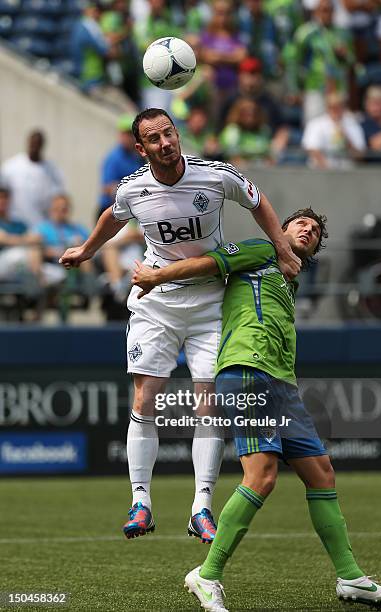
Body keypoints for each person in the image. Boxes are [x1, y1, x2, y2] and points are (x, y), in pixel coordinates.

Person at [131, 207, 381, 611]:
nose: (308, 230)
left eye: (316, 230)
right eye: (300, 223)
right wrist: (157, 275)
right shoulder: (260, 249)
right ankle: (207, 575)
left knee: (322, 472)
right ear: (282, 228)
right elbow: (210, 263)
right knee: (262, 476)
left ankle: (350, 578)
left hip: (282, 384)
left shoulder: (292, 278)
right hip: (247, 371)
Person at [59, 107, 301, 544]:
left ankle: (201, 507)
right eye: (155, 139)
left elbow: (257, 200)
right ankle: (141, 501)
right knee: (146, 395)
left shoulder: (215, 175)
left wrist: (282, 249)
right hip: (157, 302)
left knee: (208, 401)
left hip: (210, 299)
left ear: (177, 133)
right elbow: (114, 216)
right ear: (141, 148)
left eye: (169, 133)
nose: (166, 143)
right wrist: (88, 250)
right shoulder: (134, 187)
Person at [0, 130, 65, 228]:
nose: (35, 147)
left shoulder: (52, 170)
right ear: (28, 142)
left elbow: (58, 198)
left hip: (42, 225)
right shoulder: (11, 166)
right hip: (16, 225)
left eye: (38, 144)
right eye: (33, 143)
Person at [302, 91, 366, 169]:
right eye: (332, 107)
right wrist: (329, 171)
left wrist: (346, 139)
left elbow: (360, 156)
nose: (335, 110)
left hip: (347, 173)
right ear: (327, 107)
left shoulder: (353, 124)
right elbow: (313, 150)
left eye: (339, 106)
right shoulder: (315, 124)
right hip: (320, 173)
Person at [98, 115, 143, 217]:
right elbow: (107, 188)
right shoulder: (114, 158)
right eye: (126, 134)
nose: (130, 138)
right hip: (111, 211)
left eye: (132, 134)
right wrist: (133, 191)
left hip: (131, 210)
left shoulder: (139, 156)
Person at [361, 85, 381, 155]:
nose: (375, 108)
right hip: (374, 164)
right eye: (371, 103)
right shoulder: (364, 125)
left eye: (378, 103)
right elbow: (374, 144)